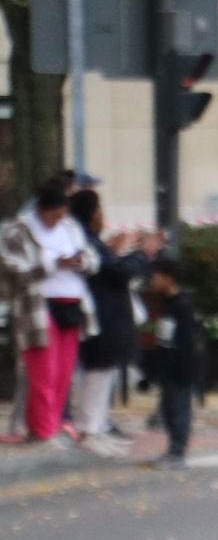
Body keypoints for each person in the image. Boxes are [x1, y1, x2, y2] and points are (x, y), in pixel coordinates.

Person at [0, 177, 98, 444]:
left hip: (72, 303)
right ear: (42, 210)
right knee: (44, 371)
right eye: (54, 215)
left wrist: (82, 261)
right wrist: (54, 263)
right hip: (38, 306)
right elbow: (13, 269)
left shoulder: (69, 227)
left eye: (62, 215)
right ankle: (42, 430)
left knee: (64, 373)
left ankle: (52, 424)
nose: (58, 220)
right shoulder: (19, 230)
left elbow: (90, 256)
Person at [69, 190, 161, 452]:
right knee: (97, 374)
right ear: (90, 214)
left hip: (109, 317)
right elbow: (118, 272)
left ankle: (96, 427)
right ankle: (89, 429)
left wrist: (118, 250)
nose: (102, 216)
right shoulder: (84, 240)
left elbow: (109, 265)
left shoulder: (92, 241)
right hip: (102, 317)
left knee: (105, 373)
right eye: (99, 210)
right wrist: (143, 253)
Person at [140, 253, 199, 471]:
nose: (152, 281)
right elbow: (163, 339)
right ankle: (173, 449)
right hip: (168, 366)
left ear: (168, 278)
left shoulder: (182, 306)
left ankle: (177, 452)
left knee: (178, 408)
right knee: (169, 408)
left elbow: (185, 342)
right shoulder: (168, 304)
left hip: (179, 368)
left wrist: (181, 368)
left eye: (155, 276)